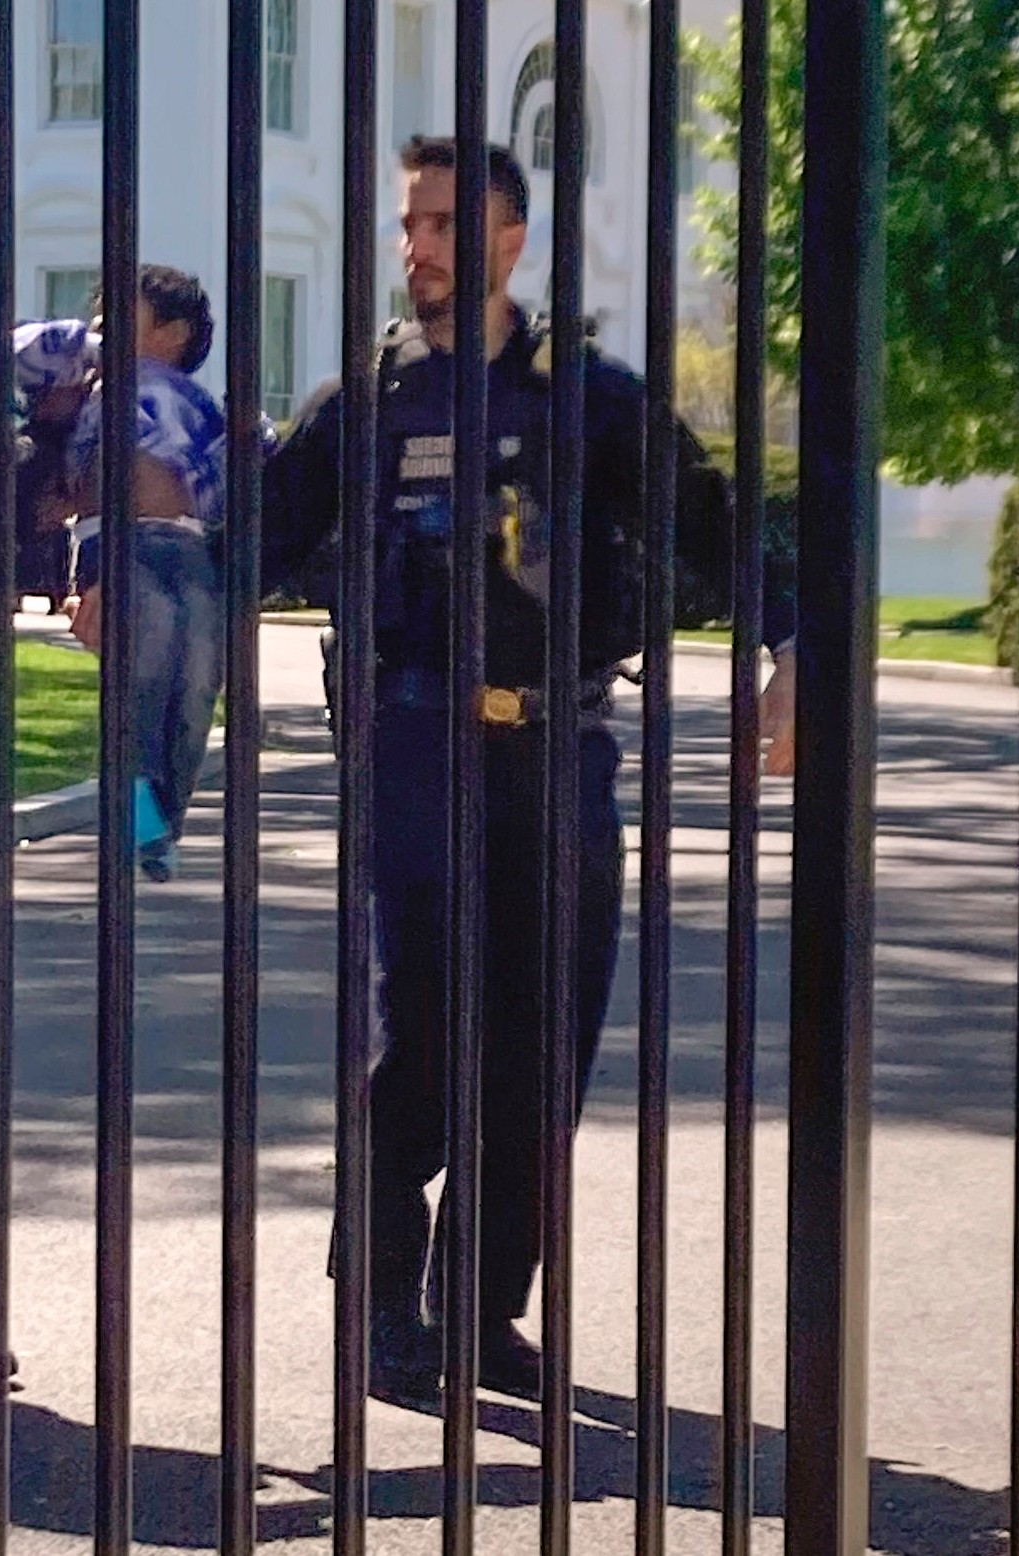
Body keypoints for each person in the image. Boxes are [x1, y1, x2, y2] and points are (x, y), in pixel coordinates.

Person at [256, 137, 797, 1401]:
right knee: (427, 1032)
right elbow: (260, 537)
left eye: (444, 222)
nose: (419, 247)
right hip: (411, 742)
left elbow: (710, 524)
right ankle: (383, 1298)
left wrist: (794, 647)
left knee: (544, 1039)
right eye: (409, 223)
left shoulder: (589, 396)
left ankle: (480, 1310)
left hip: (558, 745)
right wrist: (142, 587)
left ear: (508, 236)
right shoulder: (367, 400)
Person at [16, 264, 266, 881]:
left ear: (173, 334)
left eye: (123, 313)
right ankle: (135, 830)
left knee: (196, 688)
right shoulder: (90, 379)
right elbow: (19, 353)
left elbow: (242, 465)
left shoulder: (197, 400)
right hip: (120, 545)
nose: (104, 323)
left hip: (189, 551)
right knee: (143, 685)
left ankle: (161, 830)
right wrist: (89, 346)